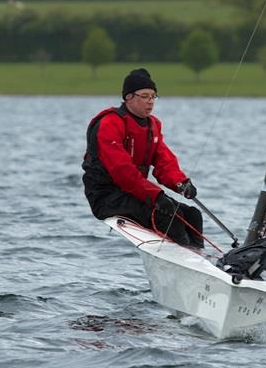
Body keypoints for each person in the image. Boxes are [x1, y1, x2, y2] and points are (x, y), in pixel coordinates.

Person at [82, 68, 204, 248]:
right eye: (145, 96)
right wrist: (156, 196)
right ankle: (185, 258)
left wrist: (181, 183)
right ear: (128, 97)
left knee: (193, 215)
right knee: (169, 218)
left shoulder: (152, 125)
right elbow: (122, 172)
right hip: (106, 196)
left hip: (134, 193)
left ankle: (201, 262)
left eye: (153, 96)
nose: (151, 102)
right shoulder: (109, 123)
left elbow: (164, 161)